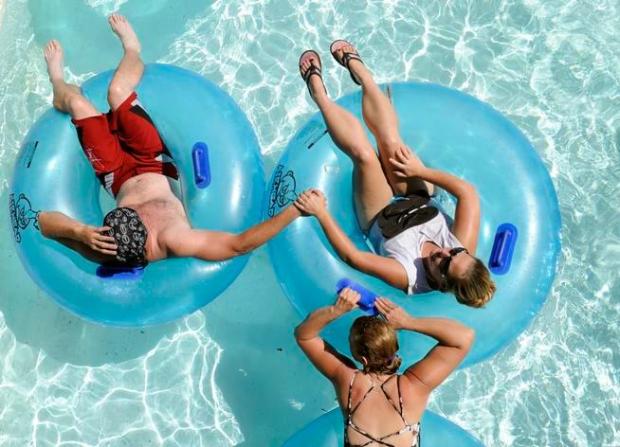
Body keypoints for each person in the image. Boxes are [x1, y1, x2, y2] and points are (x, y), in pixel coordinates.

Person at [38, 14, 304, 267]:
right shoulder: (172, 239)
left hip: (115, 175)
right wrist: (296, 210)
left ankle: (59, 79)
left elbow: (44, 222)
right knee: (118, 92)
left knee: (78, 103)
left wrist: (80, 232)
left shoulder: (104, 249)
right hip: (154, 162)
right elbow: (238, 245)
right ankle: (132, 50)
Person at [294, 40, 496, 308]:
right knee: (390, 141)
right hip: (418, 197)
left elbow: (354, 257)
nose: (444, 252)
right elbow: (467, 193)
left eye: (445, 265)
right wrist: (420, 171)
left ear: (443, 284)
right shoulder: (462, 245)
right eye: (455, 252)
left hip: (379, 215)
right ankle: (362, 74)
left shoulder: (409, 276)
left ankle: (319, 94)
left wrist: (321, 213)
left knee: (365, 156)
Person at [295, 288, 475, 446]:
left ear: (363, 360)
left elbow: (304, 336)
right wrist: (408, 321)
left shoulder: (347, 380)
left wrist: (336, 310)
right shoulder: (414, 386)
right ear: (393, 346)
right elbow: (464, 337)